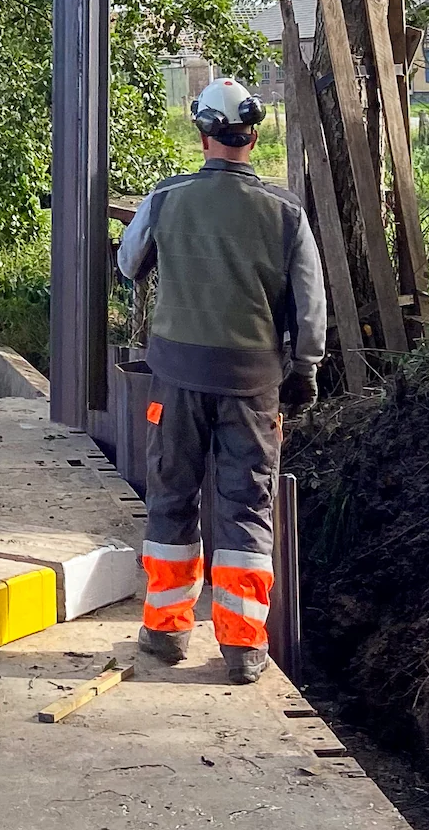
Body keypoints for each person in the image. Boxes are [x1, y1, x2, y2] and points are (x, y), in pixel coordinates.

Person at [115, 77, 327, 685]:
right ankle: (241, 647)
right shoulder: (286, 212)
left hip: (177, 376)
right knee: (246, 506)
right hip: (253, 383)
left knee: (171, 497)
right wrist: (304, 370)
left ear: (203, 133)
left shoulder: (168, 198)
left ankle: (165, 631)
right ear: (252, 135)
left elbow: (130, 262)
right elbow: (310, 308)